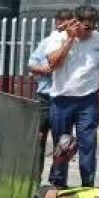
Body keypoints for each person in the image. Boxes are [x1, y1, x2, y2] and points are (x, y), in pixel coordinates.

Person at [42, 5, 99, 188]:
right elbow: (52, 63)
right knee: (62, 144)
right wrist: (70, 40)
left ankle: (87, 185)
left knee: (88, 144)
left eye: (93, 27)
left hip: (87, 101)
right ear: (75, 23)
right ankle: (58, 184)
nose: (90, 31)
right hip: (61, 100)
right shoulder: (58, 38)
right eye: (86, 27)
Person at [27, 10, 72, 148]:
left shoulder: (74, 44)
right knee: (39, 135)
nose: (63, 28)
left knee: (62, 140)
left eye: (67, 24)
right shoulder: (46, 43)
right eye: (61, 24)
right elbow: (31, 65)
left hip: (64, 96)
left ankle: (58, 169)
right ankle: (36, 167)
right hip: (45, 95)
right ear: (56, 23)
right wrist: (43, 69)